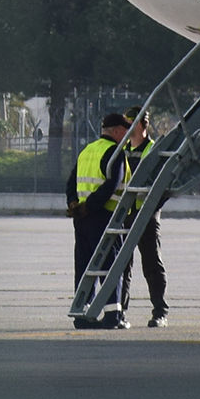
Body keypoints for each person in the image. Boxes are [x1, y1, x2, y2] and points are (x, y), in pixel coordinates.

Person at [69, 111, 169, 329]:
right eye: (126, 125)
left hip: (144, 214)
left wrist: (78, 206)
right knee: (119, 265)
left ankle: (159, 311)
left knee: (151, 263)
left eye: (133, 124)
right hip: (115, 215)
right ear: (117, 131)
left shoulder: (152, 150)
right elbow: (110, 184)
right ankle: (118, 313)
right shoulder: (118, 151)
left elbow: (163, 185)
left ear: (144, 125)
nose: (129, 129)